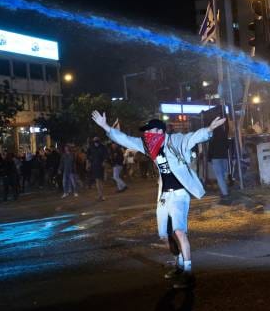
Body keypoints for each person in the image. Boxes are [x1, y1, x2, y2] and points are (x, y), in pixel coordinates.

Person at [92, 111, 226, 289]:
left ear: (160, 131)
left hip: (179, 194)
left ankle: (188, 272)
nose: (147, 134)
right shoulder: (149, 147)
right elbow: (126, 140)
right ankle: (178, 264)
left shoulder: (175, 141)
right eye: (146, 132)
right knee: (164, 235)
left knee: (179, 232)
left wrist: (208, 129)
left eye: (150, 131)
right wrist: (106, 127)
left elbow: (192, 138)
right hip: (164, 195)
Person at [207, 106, 230, 198]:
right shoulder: (224, 132)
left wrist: (209, 157)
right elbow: (227, 144)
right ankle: (225, 190)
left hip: (216, 157)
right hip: (224, 155)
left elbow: (211, 146)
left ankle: (225, 193)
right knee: (224, 174)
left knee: (219, 175)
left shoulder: (213, 134)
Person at [87, 137, 108, 201]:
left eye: (97, 141)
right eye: (94, 141)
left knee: (101, 181)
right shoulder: (91, 147)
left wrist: (104, 161)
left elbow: (106, 155)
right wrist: (88, 164)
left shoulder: (102, 147)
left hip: (101, 166)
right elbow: (88, 156)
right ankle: (100, 195)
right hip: (94, 166)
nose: (96, 142)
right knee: (97, 181)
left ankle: (102, 195)